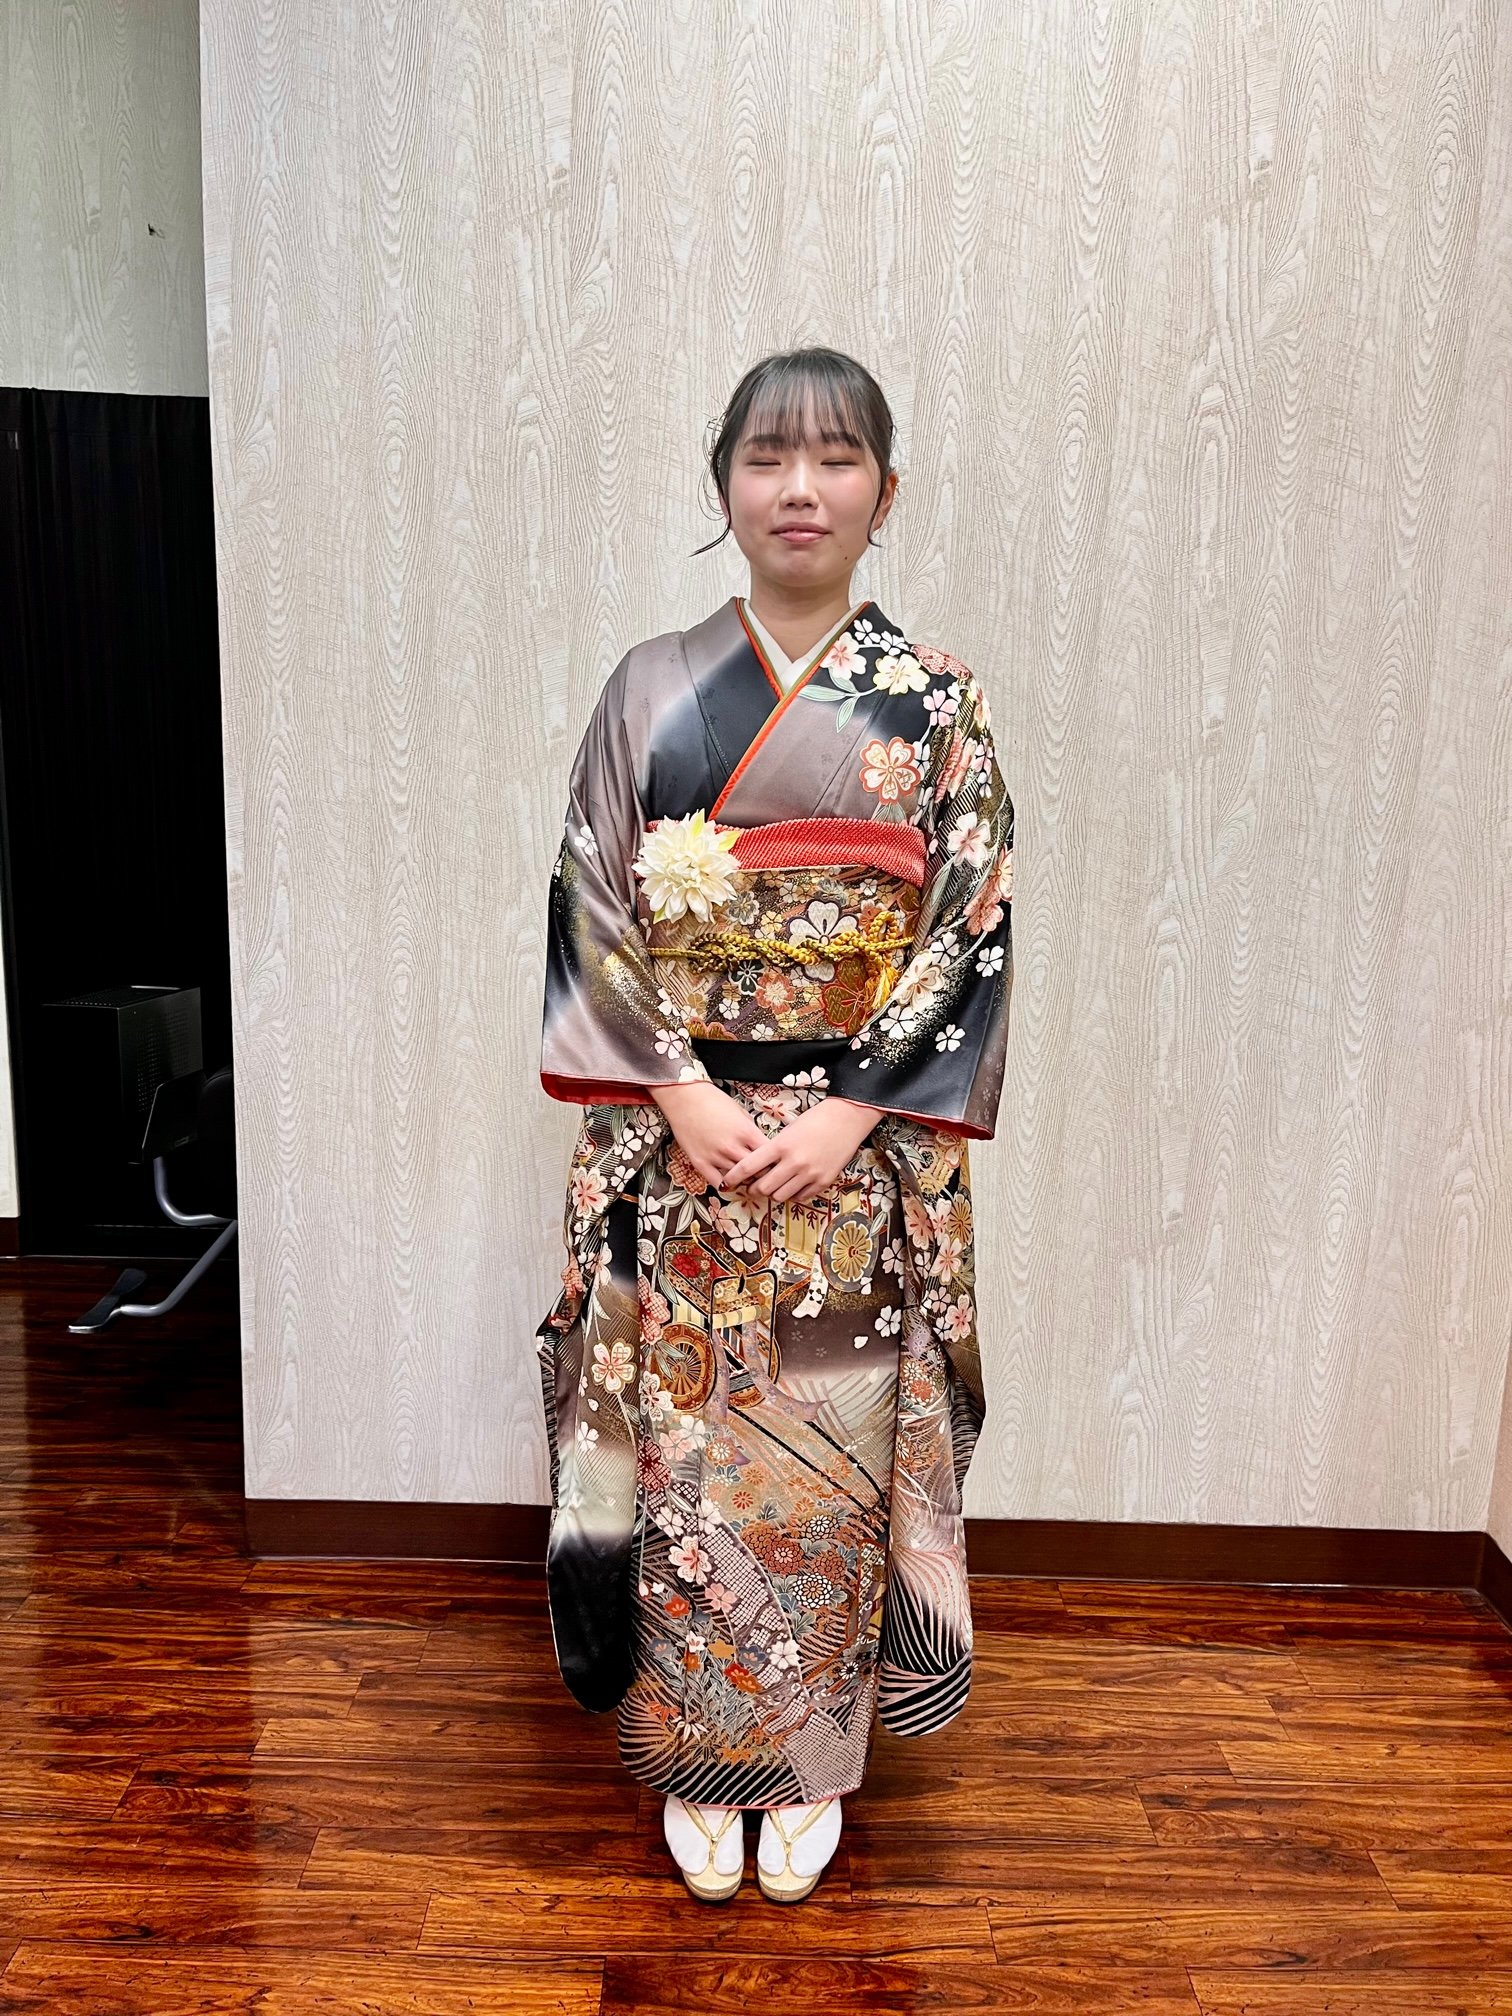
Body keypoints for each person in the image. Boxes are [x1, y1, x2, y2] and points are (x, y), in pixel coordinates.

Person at [534, 344, 1014, 1903]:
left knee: (828, 1447)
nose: (799, 487)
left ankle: (809, 1761)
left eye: (834, 456)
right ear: (724, 483)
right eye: (766, 456)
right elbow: (593, 902)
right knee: (681, 1449)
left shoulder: (934, 704)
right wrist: (676, 1089)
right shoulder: (649, 687)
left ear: (887, 490)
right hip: (678, 1144)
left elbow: (968, 923)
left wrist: (857, 1109)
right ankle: (695, 1755)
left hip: (847, 1160)